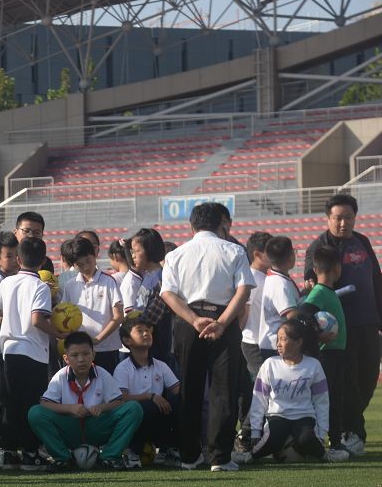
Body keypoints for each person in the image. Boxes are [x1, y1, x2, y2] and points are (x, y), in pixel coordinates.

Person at [160, 202, 254, 472]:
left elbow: (168, 294)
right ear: (221, 224)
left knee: (189, 388)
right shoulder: (235, 250)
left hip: (188, 322)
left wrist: (193, 319)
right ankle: (220, 457)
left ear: (192, 226)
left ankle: (189, 456)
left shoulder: (177, 255)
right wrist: (222, 323)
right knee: (223, 390)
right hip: (223, 320)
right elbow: (244, 290)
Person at [302, 194, 382, 457]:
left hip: (368, 322)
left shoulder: (362, 241)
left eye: (348, 217)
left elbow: (377, 281)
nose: (343, 223)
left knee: (369, 378)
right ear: (328, 218)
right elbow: (311, 281)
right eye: (338, 218)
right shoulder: (318, 247)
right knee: (349, 383)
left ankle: (349, 426)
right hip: (340, 330)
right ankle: (351, 432)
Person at [0, 235, 61, 470]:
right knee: (31, 405)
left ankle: (8, 453)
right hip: (33, 351)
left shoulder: (7, 283)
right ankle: (30, 453)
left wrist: (5, 319)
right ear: (42, 262)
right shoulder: (39, 286)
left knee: (12, 403)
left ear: (18, 259)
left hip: (9, 351)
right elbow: (37, 319)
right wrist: (60, 334)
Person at [28, 331, 143, 469]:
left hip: (96, 427)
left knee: (133, 409)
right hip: (70, 428)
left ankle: (109, 457)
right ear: (66, 358)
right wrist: (70, 408)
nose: (81, 359)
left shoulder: (102, 374)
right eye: (74, 355)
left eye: (86, 354)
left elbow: (119, 401)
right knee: (35, 413)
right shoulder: (60, 376)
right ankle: (63, 458)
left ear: (93, 355)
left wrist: (102, 408)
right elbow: (45, 403)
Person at [249, 320, 344, 462]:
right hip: (277, 416)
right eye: (278, 339)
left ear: (298, 342)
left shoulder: (313, 365)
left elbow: (322, 402)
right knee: (273, 440)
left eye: (283, 339)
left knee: (306, 440)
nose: (278, 344)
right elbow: (259, 399)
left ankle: (325, 455)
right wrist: (255, 431)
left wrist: (321, 433)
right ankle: (250, 455)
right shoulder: (270, 364)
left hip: (304, 417)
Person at [114, 318, 180, 468]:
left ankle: (169, 449)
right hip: (133, 422)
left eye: (148, 330)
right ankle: (133, 453)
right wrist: (149, 396)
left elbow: (177, 390)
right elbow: (121, 399)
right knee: (146, 407)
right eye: (140, 331)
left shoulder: (160, 365)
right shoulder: (123, 368)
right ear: (127, 340)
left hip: (155, 417)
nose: (146, 333)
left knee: (182, 403)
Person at [302, 245, 348, 457]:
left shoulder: (326, 292)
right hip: (327, 355)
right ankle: (326, 441)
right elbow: (303, 314)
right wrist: (317, 335)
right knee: (327, 399)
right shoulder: (319, 292)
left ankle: (336, 441)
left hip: (336, 354)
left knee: (336, 396)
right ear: (337, 269)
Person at [60, 235, 123, 373]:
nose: (86, 267)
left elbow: (118, 316)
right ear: (73, 265)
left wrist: (98, 339)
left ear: (94, 255)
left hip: (106, 348)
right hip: (80, 351)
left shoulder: (109, 282)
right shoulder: (70, 285)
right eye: (80, 265)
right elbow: (63, 315)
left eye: (88, 261)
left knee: (106, 389)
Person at [234, 231, 272, 456]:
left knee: (261, 389)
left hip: (262, 342)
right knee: (263, 389)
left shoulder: (266, 278)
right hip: (252, 342)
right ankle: (245, 434)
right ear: (257, 253)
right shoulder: (251, 277)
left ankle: (253, 433)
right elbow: (243, 311)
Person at [120, 227, 172, 365]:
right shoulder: (148, 276)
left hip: (157, 346)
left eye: (136, 251)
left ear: (149, 251)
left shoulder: (160, 278)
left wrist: (130, 327)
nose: (133, 256)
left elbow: (152, 316)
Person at [258, 236, 299, 361]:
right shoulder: (280, 283)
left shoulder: (275, 277)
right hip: (277, 346)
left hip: (274, 344)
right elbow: (291, 314)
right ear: (290, 256)